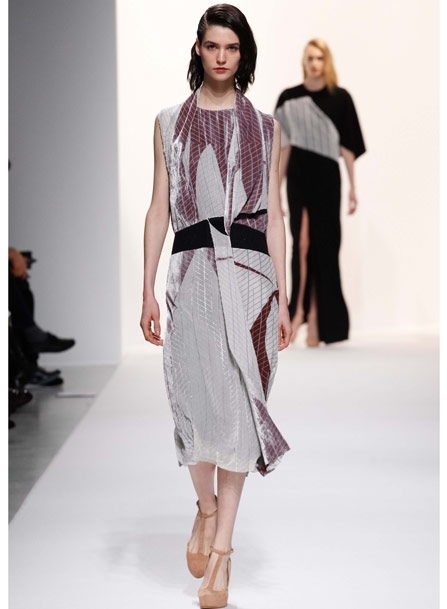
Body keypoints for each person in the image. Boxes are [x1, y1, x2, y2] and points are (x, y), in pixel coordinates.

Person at [140, 5, 292, 607]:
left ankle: (223, 552)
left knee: (237, 415)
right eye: (212, 46)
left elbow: (274, 216)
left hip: (252, 282)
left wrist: (284, 297)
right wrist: (145, 289)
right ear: (198, 50)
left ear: (243, 53)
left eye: (232, 47)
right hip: (192, 277)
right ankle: (204, 507)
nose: (222, 56)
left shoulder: (266, 127)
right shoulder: (169, 123)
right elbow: (159, 207)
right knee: (196, 410)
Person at [274, 38, 366, 347]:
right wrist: (276, 189)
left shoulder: (340, 98)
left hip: (327, 178)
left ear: (327, 62)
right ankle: (297, 313)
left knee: (325, 247)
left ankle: (318, 319)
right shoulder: (289, 98)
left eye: (320, 58)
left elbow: (347, 146)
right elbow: (283, 147)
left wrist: (353, 187)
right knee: (301, 244)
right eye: (311, 58)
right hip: (299, 176)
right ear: (304, 61)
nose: (315, 63)